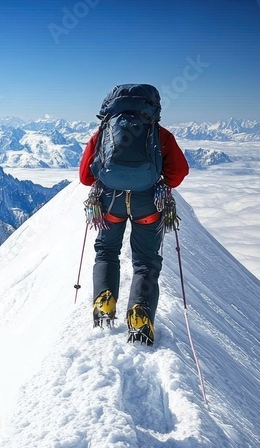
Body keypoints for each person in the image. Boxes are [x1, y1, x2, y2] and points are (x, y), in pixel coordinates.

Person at [78, 85, 189, 345]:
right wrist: (159, 182)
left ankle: (104, 301)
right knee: (147, 261)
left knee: (106, 251)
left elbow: (85, 177)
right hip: (148, 203)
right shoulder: (160, 134)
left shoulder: (103, 133)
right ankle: (140, 313)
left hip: (109, 202)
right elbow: (179, 172)